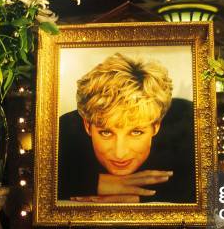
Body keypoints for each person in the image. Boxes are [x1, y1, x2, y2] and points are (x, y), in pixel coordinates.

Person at [57, 53, 195, 203]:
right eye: (106, 132)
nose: (120, 153)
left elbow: (210, 189)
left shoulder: (186, 126)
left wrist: (137, 198)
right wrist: (91, 183)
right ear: (87, 126)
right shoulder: (64, 133)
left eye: (136, 132)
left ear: (156, 126)